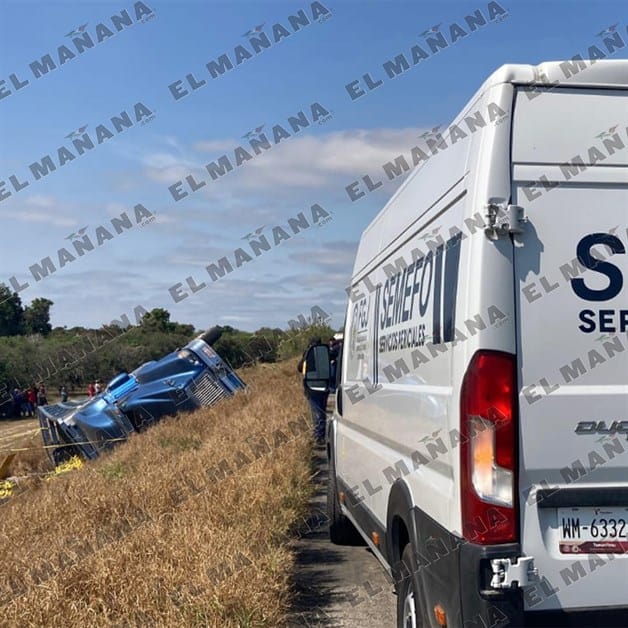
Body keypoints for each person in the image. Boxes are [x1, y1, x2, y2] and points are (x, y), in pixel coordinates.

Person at [297, 337, 330, 445]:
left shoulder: (308, 354)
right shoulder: (325, 352)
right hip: (324, 386)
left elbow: (300, 368)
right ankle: (321, 435)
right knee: (322, 412)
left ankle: (318, 436)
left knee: (316, 412)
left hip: (311, 387)